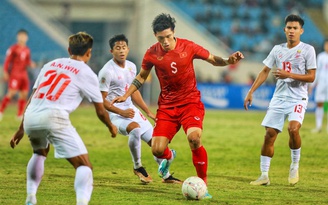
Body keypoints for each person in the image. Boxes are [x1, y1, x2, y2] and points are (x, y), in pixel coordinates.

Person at [112, 13, 244, 198]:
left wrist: (228, 61)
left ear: (174, 32)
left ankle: (203, 185)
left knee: (195, 138)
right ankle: (168, 156)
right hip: (167, 106)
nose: (165, 41)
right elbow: (141, 76)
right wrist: (125, 95)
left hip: (190, 102)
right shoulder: (151, 53)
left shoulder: (188, 46)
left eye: (168, 36)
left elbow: (213, 59)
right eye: (161, 38)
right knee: (157, 149)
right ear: (155, 36)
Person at [10, 32, 118, 205]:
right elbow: (100, 110)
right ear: (89, 53)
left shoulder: (50, 65)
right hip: (54, 116)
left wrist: (21, 128)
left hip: (31, 116)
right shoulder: (86, 72)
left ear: (69, 50)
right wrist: (110, 126)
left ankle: (31, 197)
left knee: (39, 152)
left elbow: (33, 96)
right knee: (84, 166)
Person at [98, 34, 182, 184]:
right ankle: (138, 167)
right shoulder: (107, 71)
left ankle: (166, 175)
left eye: (124, 48)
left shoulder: (131, 66)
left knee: (157, 144)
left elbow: (134, 91)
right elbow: (102, 100)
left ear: (128, 49)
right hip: (116, 114)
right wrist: (121, 112)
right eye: (118, 48)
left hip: (131, 109)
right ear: (112, 51)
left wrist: (147, 112)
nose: (121, 51)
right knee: (135, 129)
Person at [244, 14, 316, 186]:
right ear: (284, 30)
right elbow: (264, 71)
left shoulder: (308, 50)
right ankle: (264, 175)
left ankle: (294, 165)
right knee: (269, 135)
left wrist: (288, 74)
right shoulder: (277, 49)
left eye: (295, 28)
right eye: (289, 28)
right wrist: (251, 91)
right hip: (279, 98)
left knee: (293, 129)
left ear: (301, 31)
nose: (292, 31)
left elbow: (311, 77)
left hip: (298, 97)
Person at [0, 29, 36, 121]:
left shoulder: (27, 50)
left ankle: (19, 114)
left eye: (24, 36)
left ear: (26, 38)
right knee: (11, 92)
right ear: (17, 37)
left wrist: (31, 63)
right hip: (15, 74)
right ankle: (1, 111)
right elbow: (7, 61)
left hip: (24, 74)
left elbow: (27, 61)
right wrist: (5, 71)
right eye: (20, 36)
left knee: (24, 94)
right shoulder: (13, 49)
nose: (22, 38)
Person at [309, 39, 328, 133]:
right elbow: (317, 71)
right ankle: (319, 126)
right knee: (319, 103)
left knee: (327, 105)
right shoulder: (321, 57)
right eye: (326, 45)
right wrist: (312, 85)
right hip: (321, 83)